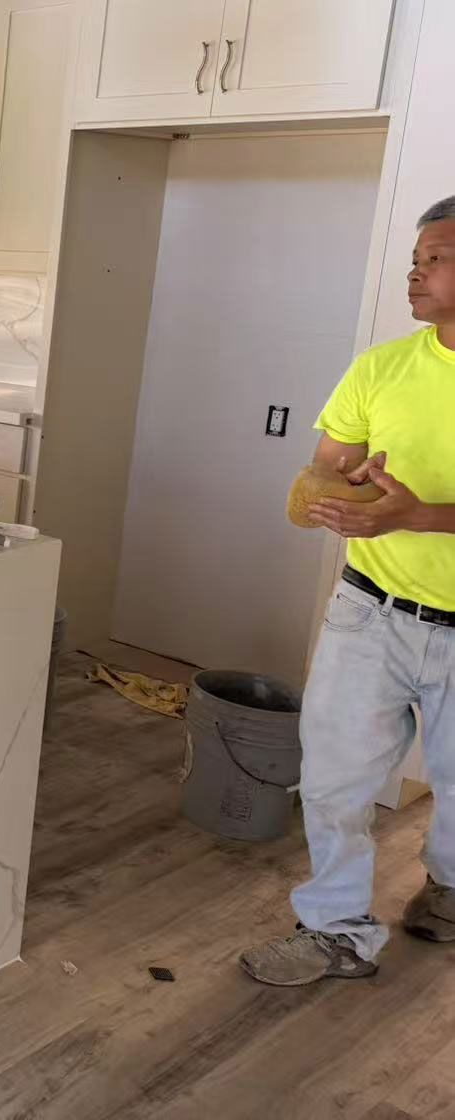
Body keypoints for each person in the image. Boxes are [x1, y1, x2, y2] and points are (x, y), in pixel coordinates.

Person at [240, 196, 455, 986]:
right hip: (372, 611)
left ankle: (448, 892)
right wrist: (339, 486)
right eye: (416, 256)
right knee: (334, 780)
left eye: (436, 258)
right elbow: (326, 468)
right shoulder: (380, 367)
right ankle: (335, 930)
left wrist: (420, 513)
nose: (415, 270)